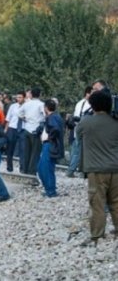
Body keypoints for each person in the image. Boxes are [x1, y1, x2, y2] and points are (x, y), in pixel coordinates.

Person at [76, 91, 118, 247]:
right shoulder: (115, 122)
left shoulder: (86, 122)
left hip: (96, 169)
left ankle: (97, 236)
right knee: (116, 202)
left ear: (92, 105)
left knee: (97, 202)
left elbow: (78, 134)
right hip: (116, 167)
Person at [37, 99, 65, 198]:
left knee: (45, 168)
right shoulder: (56, 117)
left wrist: (49, 137)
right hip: (50, 145)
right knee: (43, 167)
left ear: (46, 108)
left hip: (49, 145)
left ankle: (50, 190)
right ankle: (49, 189)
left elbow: (55, 129)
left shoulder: (51, 117)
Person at [66, 86, 92, 177]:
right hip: (84, 130)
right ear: (87, 93)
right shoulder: (90, 105)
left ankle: (73, 170)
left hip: (76, 129)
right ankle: (72, 171)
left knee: (75, 151)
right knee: (78, 151)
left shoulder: (79, 103)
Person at [18, 87, 45, 175]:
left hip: (27, 128)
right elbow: (45, 115)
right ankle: (32, 170)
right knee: (35, 152)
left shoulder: (27, 104)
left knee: (26, 151)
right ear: (40, 94)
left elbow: (19, 113)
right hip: (36, 130)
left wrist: (24, 118)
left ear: (31, 94)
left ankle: (24, 169)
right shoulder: (41, 105)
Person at [4, 91, 25, 172]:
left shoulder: (26, 106)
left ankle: (22, 167)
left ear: (24, 98)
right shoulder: (13, 106)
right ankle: (9, 167)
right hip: (12, 128)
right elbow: (8, 118)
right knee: (10, 148)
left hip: (22, 129)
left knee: (22, 149)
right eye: (17, 97)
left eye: (20, 97)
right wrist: (6, 129)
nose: (18, 99)